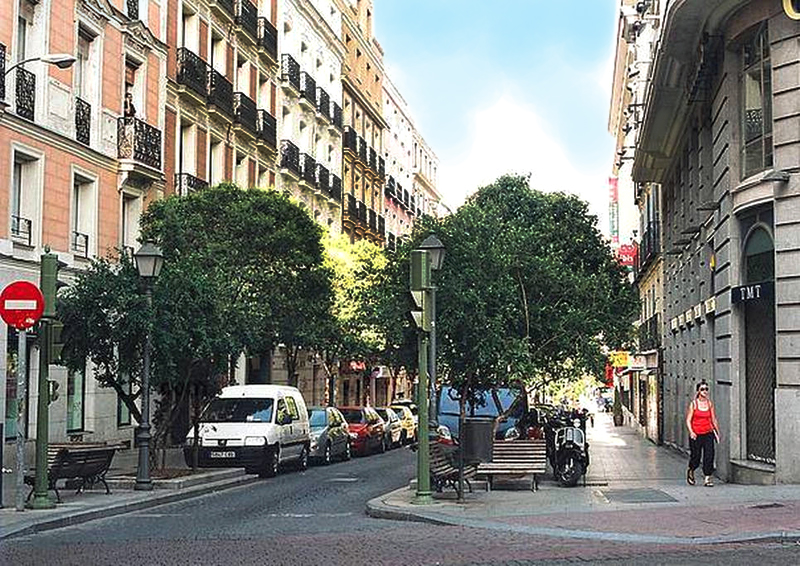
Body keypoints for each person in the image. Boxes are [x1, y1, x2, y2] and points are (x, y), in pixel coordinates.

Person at [685, 380, 720, 487]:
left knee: (709, 455)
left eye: (706, 389)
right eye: (702, 389)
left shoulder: (709, 404)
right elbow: (688, 420)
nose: (705, 391)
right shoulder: (694, 404)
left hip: (708, 433)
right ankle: (691, 469)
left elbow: (713, 419)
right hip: (696, 434)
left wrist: (717, 433)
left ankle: (707, 478)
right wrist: (691, 432)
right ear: (698, 391)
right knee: (696, 456)